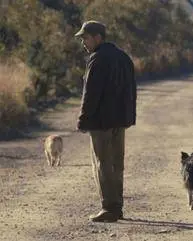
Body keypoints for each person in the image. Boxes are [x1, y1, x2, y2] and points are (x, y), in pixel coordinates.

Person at [74, 20, 136, 222]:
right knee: (117, 164)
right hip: (120, 120)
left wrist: (83, 120)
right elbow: (132, 91)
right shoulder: (124, 57)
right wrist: (129, 117)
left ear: (98, 37)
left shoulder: (97, 59)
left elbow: (90, 93)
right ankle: (117, 206)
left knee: (102, 164)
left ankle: (109, 208)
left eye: (86, 38)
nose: (84, 42)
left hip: (100, 122)